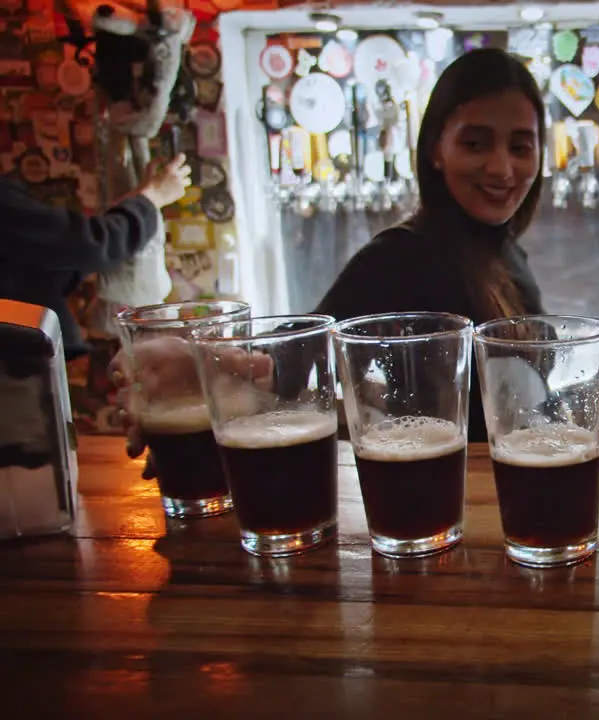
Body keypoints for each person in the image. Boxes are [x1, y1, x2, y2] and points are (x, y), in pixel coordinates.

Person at [113, 48, 547, 465]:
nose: (501, 168)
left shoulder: (505, 251)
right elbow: (296, 359)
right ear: (436, 150)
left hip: (519, 508)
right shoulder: (403, 255)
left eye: (520, 147)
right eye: (476, 144)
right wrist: (197, 366)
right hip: (446, 511)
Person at [0, 153, 192, 358]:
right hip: (28, 366)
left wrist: (140, 199)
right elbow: (89, 244)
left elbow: (31, 267)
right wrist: (154, 197)